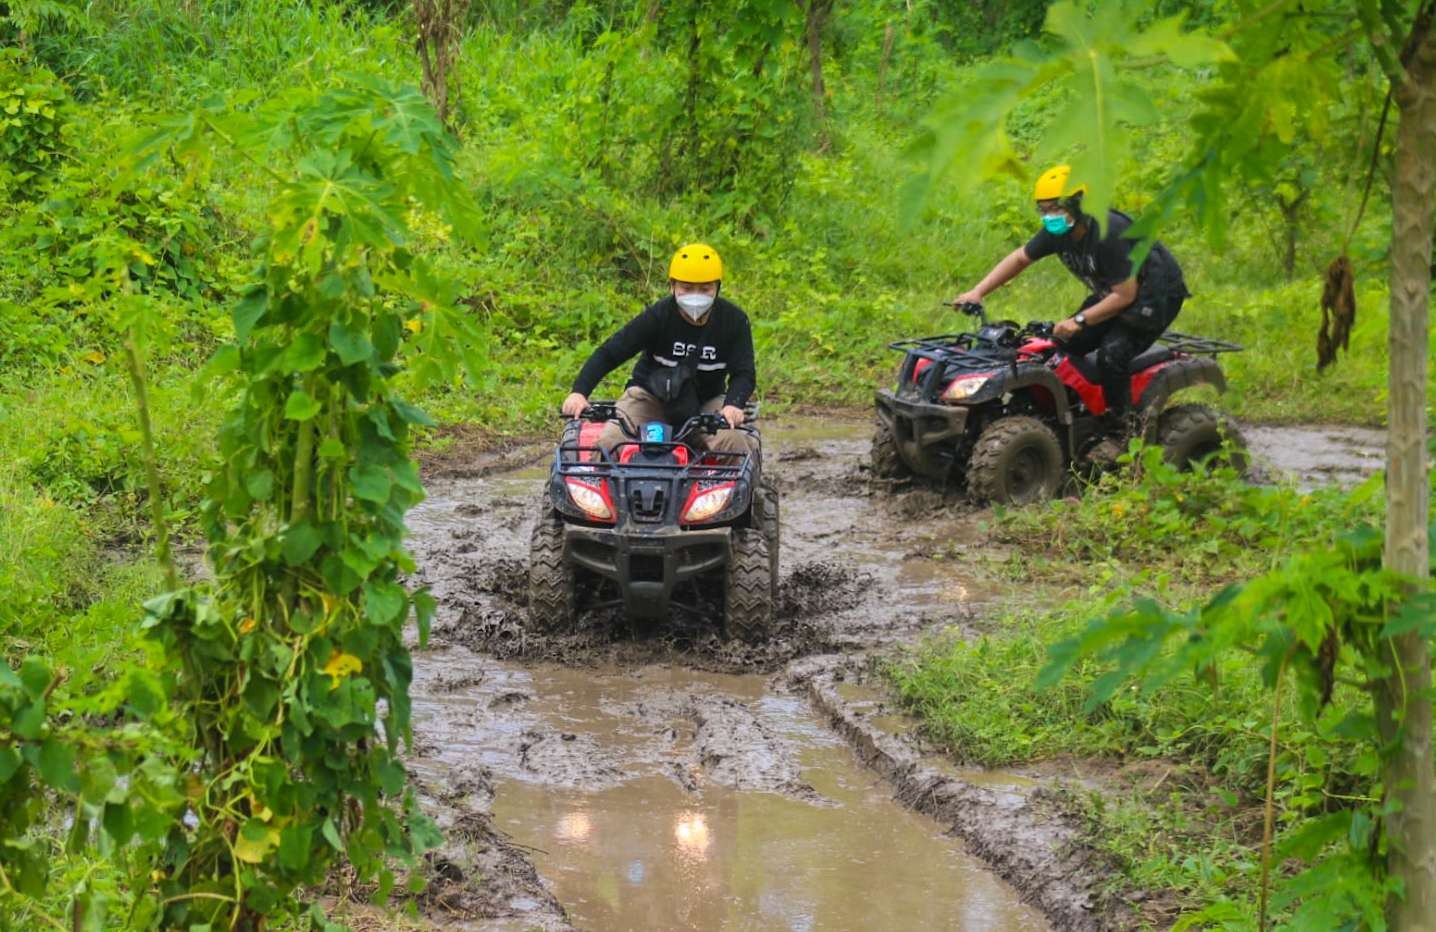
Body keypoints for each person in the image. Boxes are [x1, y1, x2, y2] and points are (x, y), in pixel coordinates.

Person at [953, 164, 1190, 437]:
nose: (1048, 216)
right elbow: (1020, 258)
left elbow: (1126, 296)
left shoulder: (1107, 233)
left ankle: (1123, 428)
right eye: (1043, 210)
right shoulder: (1058, 232)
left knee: (1112, 354)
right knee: (1064, 344)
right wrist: (978, 291)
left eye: (1056, 208)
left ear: (1079, 206)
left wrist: (1080, 320)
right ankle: (1081, 411)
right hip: (1111, 292)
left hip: (1153, 296)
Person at [561, 243, 758, 457]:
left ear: (717, 287)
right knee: (609, 443)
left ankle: (737, 490)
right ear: (672, 286)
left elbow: (744, 373)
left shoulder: (735, 321)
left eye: (705, 288)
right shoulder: (658, 317)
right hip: (650, 398)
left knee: (736, 444)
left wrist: (733, 405)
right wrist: (579, 392)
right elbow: (610, 353)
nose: (695, 295)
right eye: (686, 287)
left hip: (708, 405)